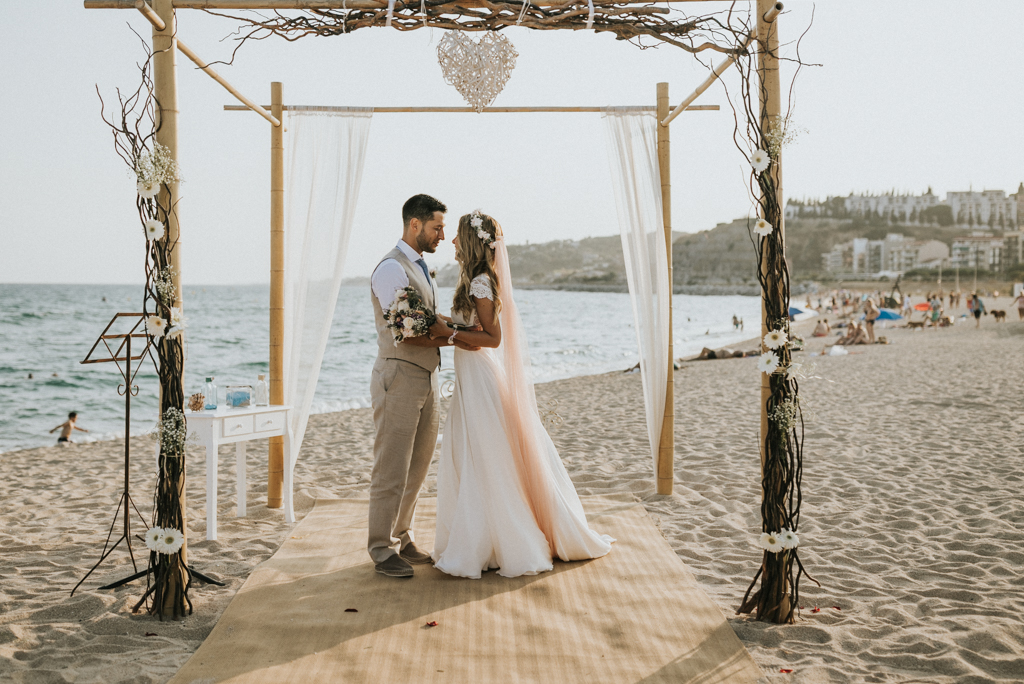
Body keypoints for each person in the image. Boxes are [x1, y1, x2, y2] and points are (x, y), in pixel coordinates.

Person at [427, 210, 613, 579]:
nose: (450, 242)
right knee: (474, 451)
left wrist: (446, 335)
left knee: (487, 454)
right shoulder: (474, 279)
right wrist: (444, 325)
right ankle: (487, 539)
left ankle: (502, 541)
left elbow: (491, 339)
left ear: (469, 241)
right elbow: (472, 327)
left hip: (480, 377)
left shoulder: (481, 282)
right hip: (471, 378)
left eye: (456, 235)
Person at [366, 194, 481, 579]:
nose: (441, 235)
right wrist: (455, 339)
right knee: (391, 466)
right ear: (414, 225)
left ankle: (403, 535)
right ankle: (380, 548)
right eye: (437, 227)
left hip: (426, 377)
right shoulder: (390, 269)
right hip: (398, 376)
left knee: (416, 466)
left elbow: (428, 317)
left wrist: (463, 328)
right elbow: (409, 331)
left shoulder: (419, 266)